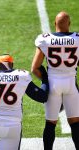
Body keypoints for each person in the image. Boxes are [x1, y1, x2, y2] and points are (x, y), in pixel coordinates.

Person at [0, 54, 49, 150]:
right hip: (13, 128)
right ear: (12, 64)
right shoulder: (22, 75)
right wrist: (45, 78)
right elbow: (42, 97)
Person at [31, 11, 79, 150]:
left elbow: (35, 68)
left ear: (54, 24)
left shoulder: (45, 39)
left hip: (53, 84)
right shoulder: (77, 39)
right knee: (75, 123)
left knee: (50, 123)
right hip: (71, 84)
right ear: (69, 24)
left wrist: (46, 80)